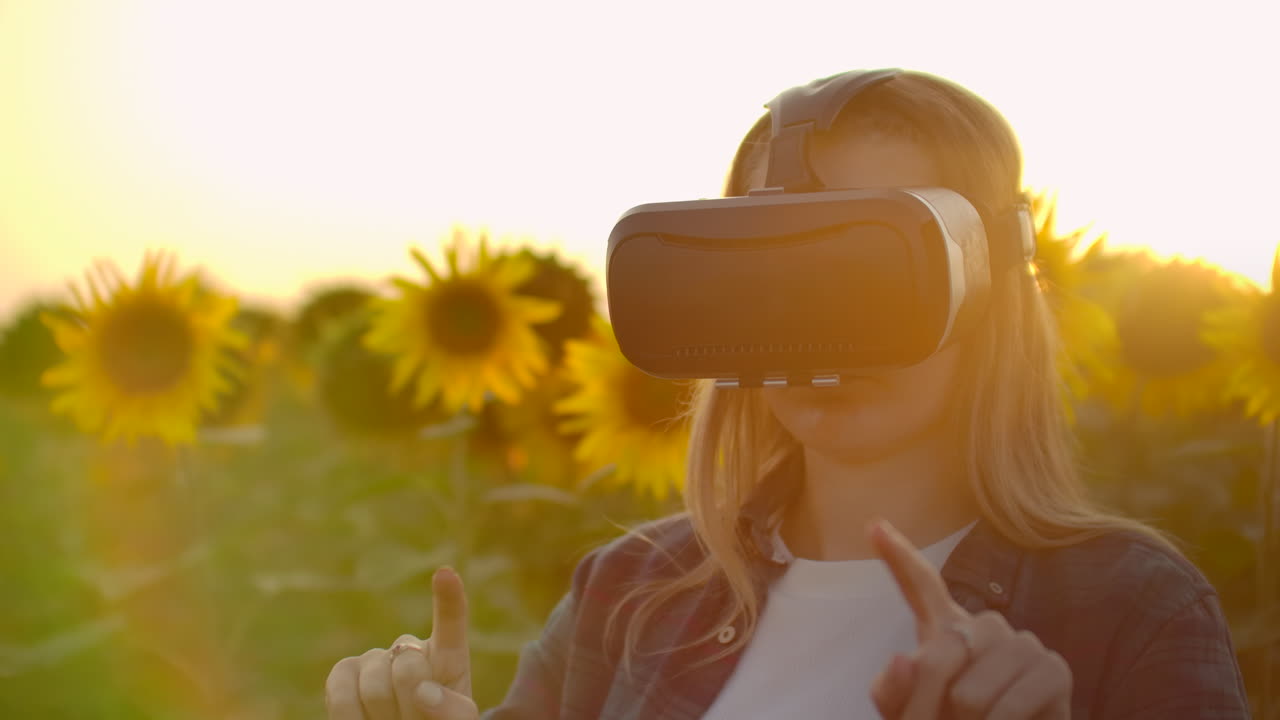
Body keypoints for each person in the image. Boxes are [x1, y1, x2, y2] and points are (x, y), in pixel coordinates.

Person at [323, 69, 1252, 719]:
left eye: (873, 269)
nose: (822, 326)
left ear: (988, 288)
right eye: (778, 270)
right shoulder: (631, 590)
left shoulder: (1129, 612)